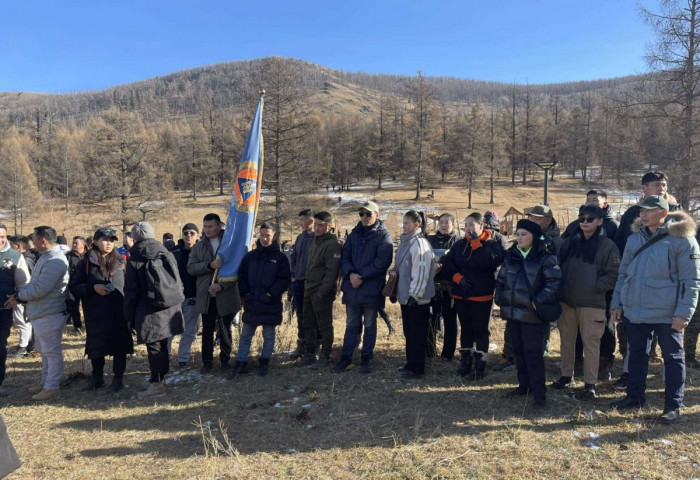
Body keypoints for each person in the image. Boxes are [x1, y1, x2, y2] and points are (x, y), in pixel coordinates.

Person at [609, 196, 700, 424]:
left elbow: (692, 281)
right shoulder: (633, 238)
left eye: (649, 210)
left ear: (663, 212)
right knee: (637, 355)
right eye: (642, 210)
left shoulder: (683, 240)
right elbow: (624, 273)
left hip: (668, 313)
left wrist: (683, 313)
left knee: (673, 358)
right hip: (636, 309)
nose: (643, 214)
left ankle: (673, 406)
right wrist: (617, 303)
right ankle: (635, 397)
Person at [613, 171, 681, 389]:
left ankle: (668, 384)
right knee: (636, 344)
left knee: (671, 347)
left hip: (667, 294)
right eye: (656, 184)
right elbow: (621, 246)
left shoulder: (678, 215)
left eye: (664, 184)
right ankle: (630, 380)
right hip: (637, 289)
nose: (661, 187)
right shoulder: (633, 214)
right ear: (644, 188)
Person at [552, 206, 620, 399]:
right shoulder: (569, 243)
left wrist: (594, 285)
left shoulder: (608, 245)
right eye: (582, 218)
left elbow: (614, 274)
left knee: (591, 344)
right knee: (566, 341)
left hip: (592, 303)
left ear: (600, 221)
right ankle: (566, 376)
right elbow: (557, 266)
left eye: (590, 219)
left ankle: (590, 384)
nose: (585, 221)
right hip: (567, 301)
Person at [495, 219, 561, 408]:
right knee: (518, 352)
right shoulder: (511, 255)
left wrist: (537, 300)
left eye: (524, 234)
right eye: (518, 234)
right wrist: (499, 297)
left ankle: (539, 394)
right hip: (513, 313)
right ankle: (523, 386)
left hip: (533, 315)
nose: (520, 237)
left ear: (534, 236)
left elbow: (554, 282)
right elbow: (501, 279)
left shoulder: (544, 256)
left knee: (533, 354)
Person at [5, 226, 69, 401]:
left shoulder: (55, 260)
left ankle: (51, 387)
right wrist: (21, 294)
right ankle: (45, 382)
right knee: (44, 351)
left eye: (33, 238)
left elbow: (41, 288)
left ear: (43, 241)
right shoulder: (46, 257)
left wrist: (19, 296)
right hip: (41, 312)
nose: (31, 241)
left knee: (51, 352)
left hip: (49, 312)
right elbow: (35, 283)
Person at [124, 221, 185, 398]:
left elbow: (131, 291)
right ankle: (161, 378)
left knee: (154, 346)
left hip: (149, 309)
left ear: (134, 238)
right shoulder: (166, 253)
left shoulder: (136, 258)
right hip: (171, 306)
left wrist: (129, 316)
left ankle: (157, 385)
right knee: (163, 344)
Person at [69, 228, 134, 393]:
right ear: (95, 242)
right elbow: (74, 286)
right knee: (96, 347)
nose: (109, 243)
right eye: (105, 240)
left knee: (120, 347)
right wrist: (93, 288)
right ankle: (97, 378)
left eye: (112, 240)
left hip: (119, 312)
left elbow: (131, 285)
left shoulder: (122, 261)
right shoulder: (86, 263)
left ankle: (118, 379)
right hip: (96, 312)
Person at [442, 212, 505, 379]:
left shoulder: (491, 244)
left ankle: (480, 366)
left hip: (481, 296)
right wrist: (456, 277)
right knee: (466, 330)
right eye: (466, 224)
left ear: (481, 226)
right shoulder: (460, 244)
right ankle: (466, 363)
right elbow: (446, 262)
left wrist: (477, 242)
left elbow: (491, 261)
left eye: (472, 224)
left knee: (481, 331)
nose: (468, 228)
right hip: (461, 295)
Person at [335, 201, 393, 374]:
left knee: (369, 324)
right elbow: (344, 257)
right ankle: (346, 357)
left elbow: (382, 262)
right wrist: (351, 274)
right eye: (362, 214)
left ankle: (366, 357)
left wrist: (362, 276)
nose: (365, 217)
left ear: (377, 215)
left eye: (369, 214)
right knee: (351, 324)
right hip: (353, 286)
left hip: (371, 288)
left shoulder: (383, 236)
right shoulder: (353, 235)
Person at [231, 223, 291, 378]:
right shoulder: (250, 256)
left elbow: (284, 279)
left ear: (274, 236)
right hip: (252, 302)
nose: (264, 238)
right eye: (262, 234)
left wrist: (272, 293)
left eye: (268, 235)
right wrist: (245, 293)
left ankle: (264, 361)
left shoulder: (280, 258)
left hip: (270, 303)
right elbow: (242, 276)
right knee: (246, 335)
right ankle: (241, 362)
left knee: (269, 335)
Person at [187, 213, 241, 374]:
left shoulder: (229, 244)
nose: (207, 230)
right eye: (205, 227)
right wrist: (209, 265)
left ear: (219, 226)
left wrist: (222, 286)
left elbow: (238, 269)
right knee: (208, 329)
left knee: (225, 329)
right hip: (206, 295)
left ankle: (225, 360)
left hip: (226, 294)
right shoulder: (199, 246)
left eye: (210, 226)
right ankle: (207, 362)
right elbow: (191, 268)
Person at [393, 210, 435, 379]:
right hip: (406, 297)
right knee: (409, 333)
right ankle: (410, 363)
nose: (404, 226)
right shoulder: (406, 243)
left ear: (416, 225)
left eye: (407, 223)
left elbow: (421, 273)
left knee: (417, 334)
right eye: (403, 223)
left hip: (417, 299)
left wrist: (414, 295)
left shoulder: (420, 244)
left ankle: (417, 368)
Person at [299, 211, 342, 367]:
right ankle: (310, 354)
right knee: (308, 323)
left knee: (324, 325)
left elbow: (332, 272)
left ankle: (325, 355)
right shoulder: (315, 241)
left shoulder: (332, 245)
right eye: (316, 225)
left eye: (321, 225)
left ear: (329, 226)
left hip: (321, 292)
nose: (317, 228)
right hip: (309, 289)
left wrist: (322, 292)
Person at [0, 225, 30, 396]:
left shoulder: (14, 256)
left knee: (0, 346)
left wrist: (17, 297)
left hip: (3, 309)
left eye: (3, 236)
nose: (1, 240)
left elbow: (24, 282)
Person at [427, 213, 459, 361]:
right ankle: (429, 351)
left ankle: (448, 354)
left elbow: (459, 263)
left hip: (449, 287)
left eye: (447, 222)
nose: (444, 225)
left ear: (453, 224)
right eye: (441, 222)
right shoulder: (430, 240)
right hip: (432, 285)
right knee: (430, 319)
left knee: (450, 320)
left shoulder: (458, 241)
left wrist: (443, 266)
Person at [170, 223, 201, 368]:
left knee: (189, 331)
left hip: (193, 296)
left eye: (192, 233)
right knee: (169, 329)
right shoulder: (174, 252)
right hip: (174, 298)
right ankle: (164, 357)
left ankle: (183, 359)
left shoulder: (202, 251)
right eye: (186, 233)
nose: (189, 236)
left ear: (198, 236)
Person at [289, 209, 315, 357]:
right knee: (300, 314)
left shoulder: (318, 239)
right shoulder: (300, 238)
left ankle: (313, 347)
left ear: (310, 221)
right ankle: (301, 345)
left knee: (311, 315)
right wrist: (292, 274)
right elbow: (294, 257)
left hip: (311, 283)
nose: (300, 223)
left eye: (302, 220)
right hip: (297, 281)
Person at [7, 236, 34, 359]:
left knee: (22, 321)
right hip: (18, 295)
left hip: (20, 296)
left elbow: (26, 280)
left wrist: (19, 296)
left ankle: (24, 346)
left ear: (18, 246)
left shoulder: (25, 260)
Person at [66, 236, 87, 335]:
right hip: (73, 286)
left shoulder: (89, 255)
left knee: (88, 306)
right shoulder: (68, 256)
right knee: (74, 306)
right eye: (73, 243)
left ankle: (88, 325)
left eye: (76, 243)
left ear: (83, 245)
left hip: (86, 285)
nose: (74, 245)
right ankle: (77, 326)